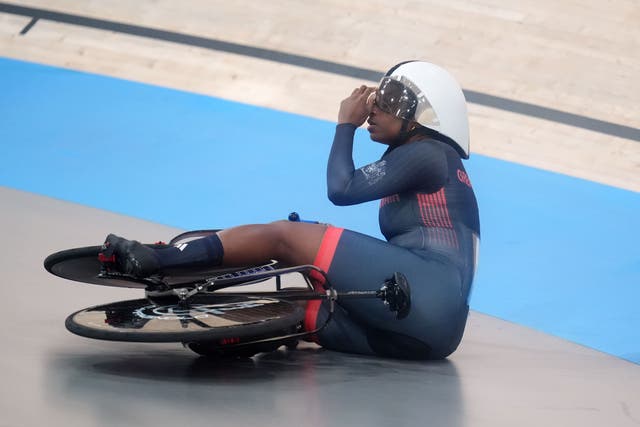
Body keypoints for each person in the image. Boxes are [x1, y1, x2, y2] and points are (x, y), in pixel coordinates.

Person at [101, 60, 480, 360]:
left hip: (426, 294)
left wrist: (345, 124)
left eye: (391, 100)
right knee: (303, 311)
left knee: (286, 236)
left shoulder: (429, 153)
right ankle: (229, 330)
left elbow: (341, 188)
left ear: (424, 117)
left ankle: (157, 258)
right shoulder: (424, 160)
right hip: (429, 337)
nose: (375, 108)